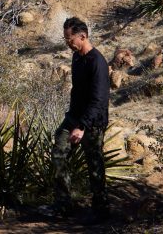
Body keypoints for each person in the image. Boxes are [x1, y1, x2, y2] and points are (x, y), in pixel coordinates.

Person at [51, 16, 110, 218]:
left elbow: (99, 100)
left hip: (92, 122)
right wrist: (72, 119)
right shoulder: (77, 58)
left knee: (94, 164)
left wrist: (82, 126)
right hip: (74, 118)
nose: (68, 43)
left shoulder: (98, 63)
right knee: (58, 153)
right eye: (66, 39)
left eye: (70, 39)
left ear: (82, 36)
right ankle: (64, 205)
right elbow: (77, 91)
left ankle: (100, 210)